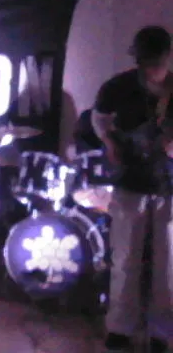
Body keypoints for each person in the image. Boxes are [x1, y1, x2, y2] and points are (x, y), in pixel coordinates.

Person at [92, 26, 173, 353]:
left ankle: (161, 333)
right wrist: (110, 142)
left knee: (167, 264)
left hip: (168, 185)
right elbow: (98, 118)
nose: (149, 69)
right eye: (144, 62)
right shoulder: (118, 86)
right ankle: (120, 329)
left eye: (154, 62)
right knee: (125, 259)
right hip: (129, 181)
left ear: (167, 57)